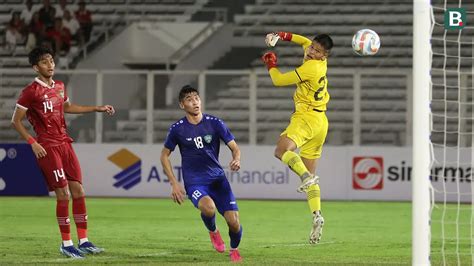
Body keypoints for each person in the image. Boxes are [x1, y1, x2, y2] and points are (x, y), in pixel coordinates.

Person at [11, 46, 115, 258]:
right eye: (44, 62)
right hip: (47, 147)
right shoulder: (31, 92)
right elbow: (16, 120)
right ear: (35, 67)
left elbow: (67, 107)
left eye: (51, 60)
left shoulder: (59, 86)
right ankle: (66, 243)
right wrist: (32, 142)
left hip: (65, 143)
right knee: (63, 194)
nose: (50, 65)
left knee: (79, 191)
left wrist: (97, 108)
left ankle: (84, 241)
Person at [261, 31, 334, 244]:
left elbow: (279, 80)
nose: (311, 51)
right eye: (312, 47)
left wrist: (271, 64)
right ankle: (317, 215)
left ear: (324, 56)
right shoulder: (315, 57)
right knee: (311, 172)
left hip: (306, 118)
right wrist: (281, 35)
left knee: (281, 151)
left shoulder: (311, 67)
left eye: (317, 51)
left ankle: (305, 177)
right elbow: (303, 41)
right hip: (321, 123)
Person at [160, 85, 243, 262]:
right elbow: (164, 155)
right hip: (195, 181)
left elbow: (235, 148)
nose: (195, 102)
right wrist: (174, 183)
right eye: (189, 99)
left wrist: (236, 159)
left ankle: (234, 249)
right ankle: (213, 231)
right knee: (208, 207)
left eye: (196, 98)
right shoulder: (177, 129)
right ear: (182, 105)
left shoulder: (215, 123)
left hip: (218, 180)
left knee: (234, 223)